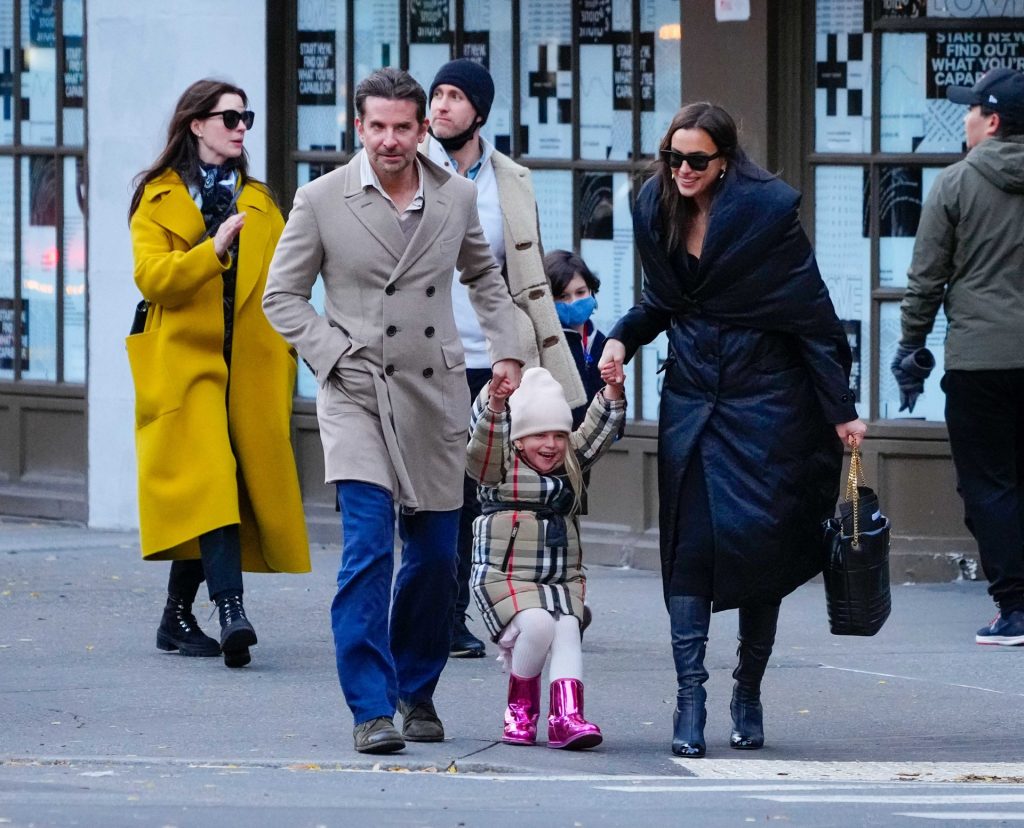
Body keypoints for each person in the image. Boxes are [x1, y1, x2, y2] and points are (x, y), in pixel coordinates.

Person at [262, 67, 523, 755]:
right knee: (369, 549)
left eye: (403, 127)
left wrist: (510, 351)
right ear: (359, 126)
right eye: (377, 126)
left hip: (434, 394)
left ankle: (416, 690)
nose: (390, 140)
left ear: (422, 128)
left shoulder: (456, 197)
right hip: (355, 391)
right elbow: (280, 297)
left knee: (437, 558)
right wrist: (332, 354)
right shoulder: (321, 199)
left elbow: (485, 282)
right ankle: (370, 708)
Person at [598, 103, 866, 757]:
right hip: (692, 401)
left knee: (759, 552)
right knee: (689, 552)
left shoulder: (766, 218)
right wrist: (622, 339)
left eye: (697, 160)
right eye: (673, 158)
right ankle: (690, 700)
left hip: (767, 406)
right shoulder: (653, 209)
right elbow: (663, 299)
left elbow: (811, 319)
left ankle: (747, 688)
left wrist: (841, 410)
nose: (682, 171)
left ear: (724, 162)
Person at [127, 79, 311, 669]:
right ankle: (232, 611)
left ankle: (175, 616)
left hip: (250, 367)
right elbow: (153, 279)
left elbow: (288, 285)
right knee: (214, 473)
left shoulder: (258, 200)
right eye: (228, 117)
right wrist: (214, 248)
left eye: (245, 117)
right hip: (186, 365)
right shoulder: (156, 199)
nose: (240, 127)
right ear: (195, 125)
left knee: (220, 488)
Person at [422, 58, 585, 661]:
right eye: (436, 94)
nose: (441, 106)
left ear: (480, 112)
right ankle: (439, 612)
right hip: (429, 353)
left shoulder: (510, 178)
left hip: (494, 358)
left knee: (486, 486)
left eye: (455, 96)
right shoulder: (412, 168)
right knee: (441, 490)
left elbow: (526, 272)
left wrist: (524, 353)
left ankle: (492, 606)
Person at [891, 67, 1024, 647]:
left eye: (970, 110)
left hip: (981, 362)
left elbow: (927, 280)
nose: (964, 119)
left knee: (990, 484)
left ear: (991, 121)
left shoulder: (955, 183)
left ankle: (1016, 609)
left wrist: (911, 345)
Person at [466, 367, 625, 749]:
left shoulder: (569, 465)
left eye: (558, 434)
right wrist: (498, 403)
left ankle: (566, 717)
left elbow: (595, 434)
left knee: (568, 627)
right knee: (537, 626)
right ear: (518, 440)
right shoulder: (499, 468)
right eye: (539, 434)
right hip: (505, 576)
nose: (551, 444)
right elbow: (484, 444)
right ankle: (520, 712)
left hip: (559, 579)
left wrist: (613, 390)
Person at [544, 249, 606, 429]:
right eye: (563, 296)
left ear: (591, 291)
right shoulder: (545, 343)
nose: (573, 302)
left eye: (580, 292)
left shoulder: (602, 341)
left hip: (593, 441)